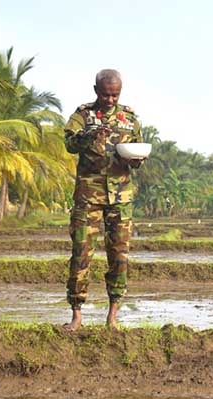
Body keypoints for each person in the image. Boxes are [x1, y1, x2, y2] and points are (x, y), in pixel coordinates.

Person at [63, 69, 145, 330]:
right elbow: (69, 144)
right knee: (81, 253)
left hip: (120, 197)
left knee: (119, 256)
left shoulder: (129, 118)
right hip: (89, 196)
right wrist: (89, 136)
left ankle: (113, 315)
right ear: (96, 90)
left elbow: (138, 154)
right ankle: (77, 314)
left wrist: (135, 161)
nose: (110, 99)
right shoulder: (83, 115)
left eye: (115, 94)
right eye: (106, 94)